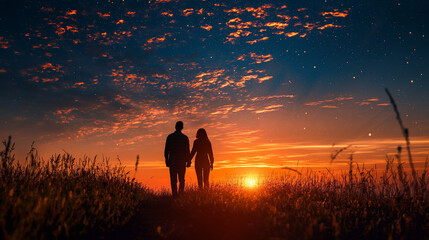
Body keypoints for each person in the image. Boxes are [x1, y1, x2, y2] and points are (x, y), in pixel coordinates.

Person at [164, 121, 191, 197]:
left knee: (173, 179)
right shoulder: (185, 138)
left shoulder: (170, 137)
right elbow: (187, 151)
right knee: (181, 179)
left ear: (175, 127)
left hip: (172, 160)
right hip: (182, 161)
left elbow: (166, 150)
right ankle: (181, 194)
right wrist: (188, 161)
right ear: (182, 127)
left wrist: (166, 160)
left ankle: (174, 195)